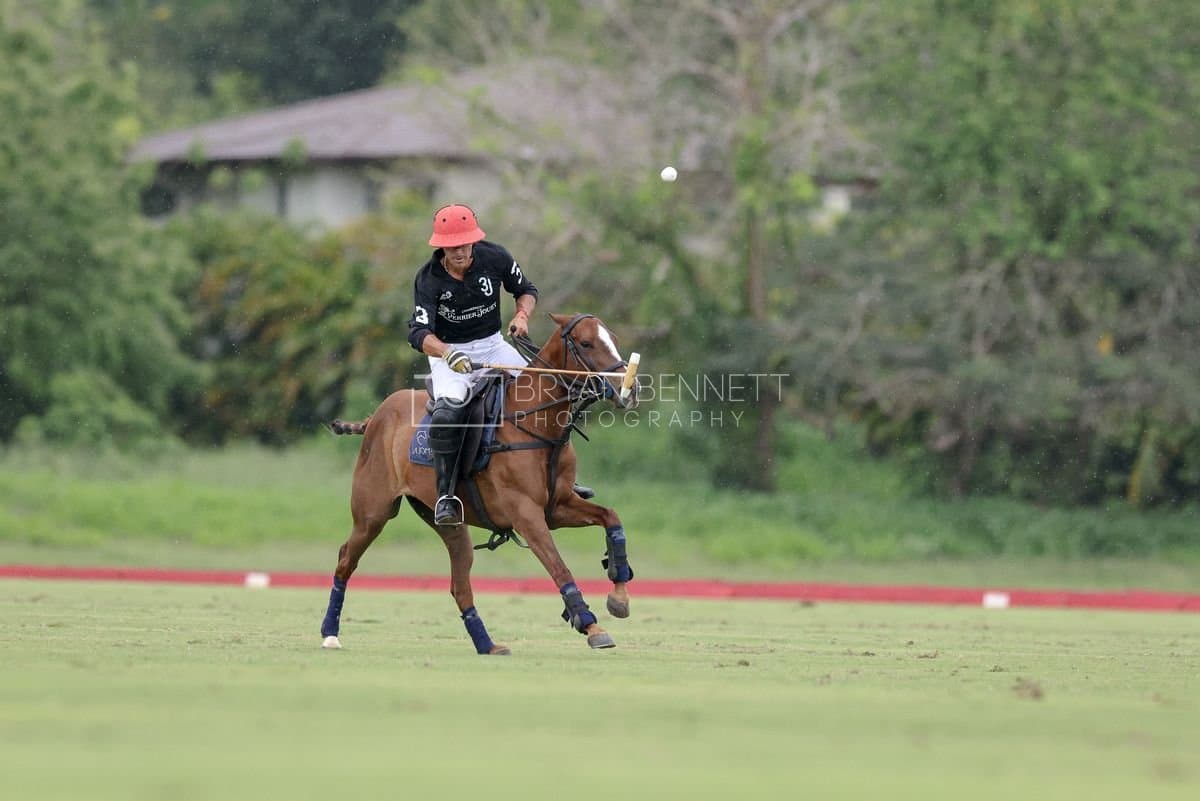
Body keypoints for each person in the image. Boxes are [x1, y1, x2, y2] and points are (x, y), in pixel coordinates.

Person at [407, 204, 591, 526]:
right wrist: (448, 353)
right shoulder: (428, 280)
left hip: (493, 345)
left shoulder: (496, 257)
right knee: (449, 411)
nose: (460, 251)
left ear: (474, 240)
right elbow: (418, 332)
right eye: (452, 247)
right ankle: (447, 494)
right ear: (441, 247)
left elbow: (526, 290)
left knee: (547, 390)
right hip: (450, 355)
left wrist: (521, 316)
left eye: (464, 244)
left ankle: (563, 479)